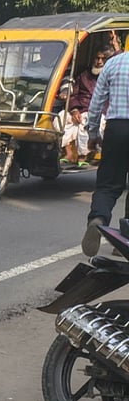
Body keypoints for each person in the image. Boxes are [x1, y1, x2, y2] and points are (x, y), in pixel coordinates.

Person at [84, 46, 129, 256]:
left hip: (116, 127)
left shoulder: (113, 63)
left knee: (108, 184)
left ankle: (98, 218)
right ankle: (124, 243)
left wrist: (92, 133)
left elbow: (96, 104)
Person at [61, 48, 111, 167]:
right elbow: (74, 95)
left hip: (98, 111)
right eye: (97, 58)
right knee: (61, 118)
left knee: (86, 121)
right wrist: (74, 110)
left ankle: (83, 157)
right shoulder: (83, 75)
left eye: (103, 59)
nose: (99, 61)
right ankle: (67, 153)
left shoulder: (109, 77)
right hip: (79, 108)